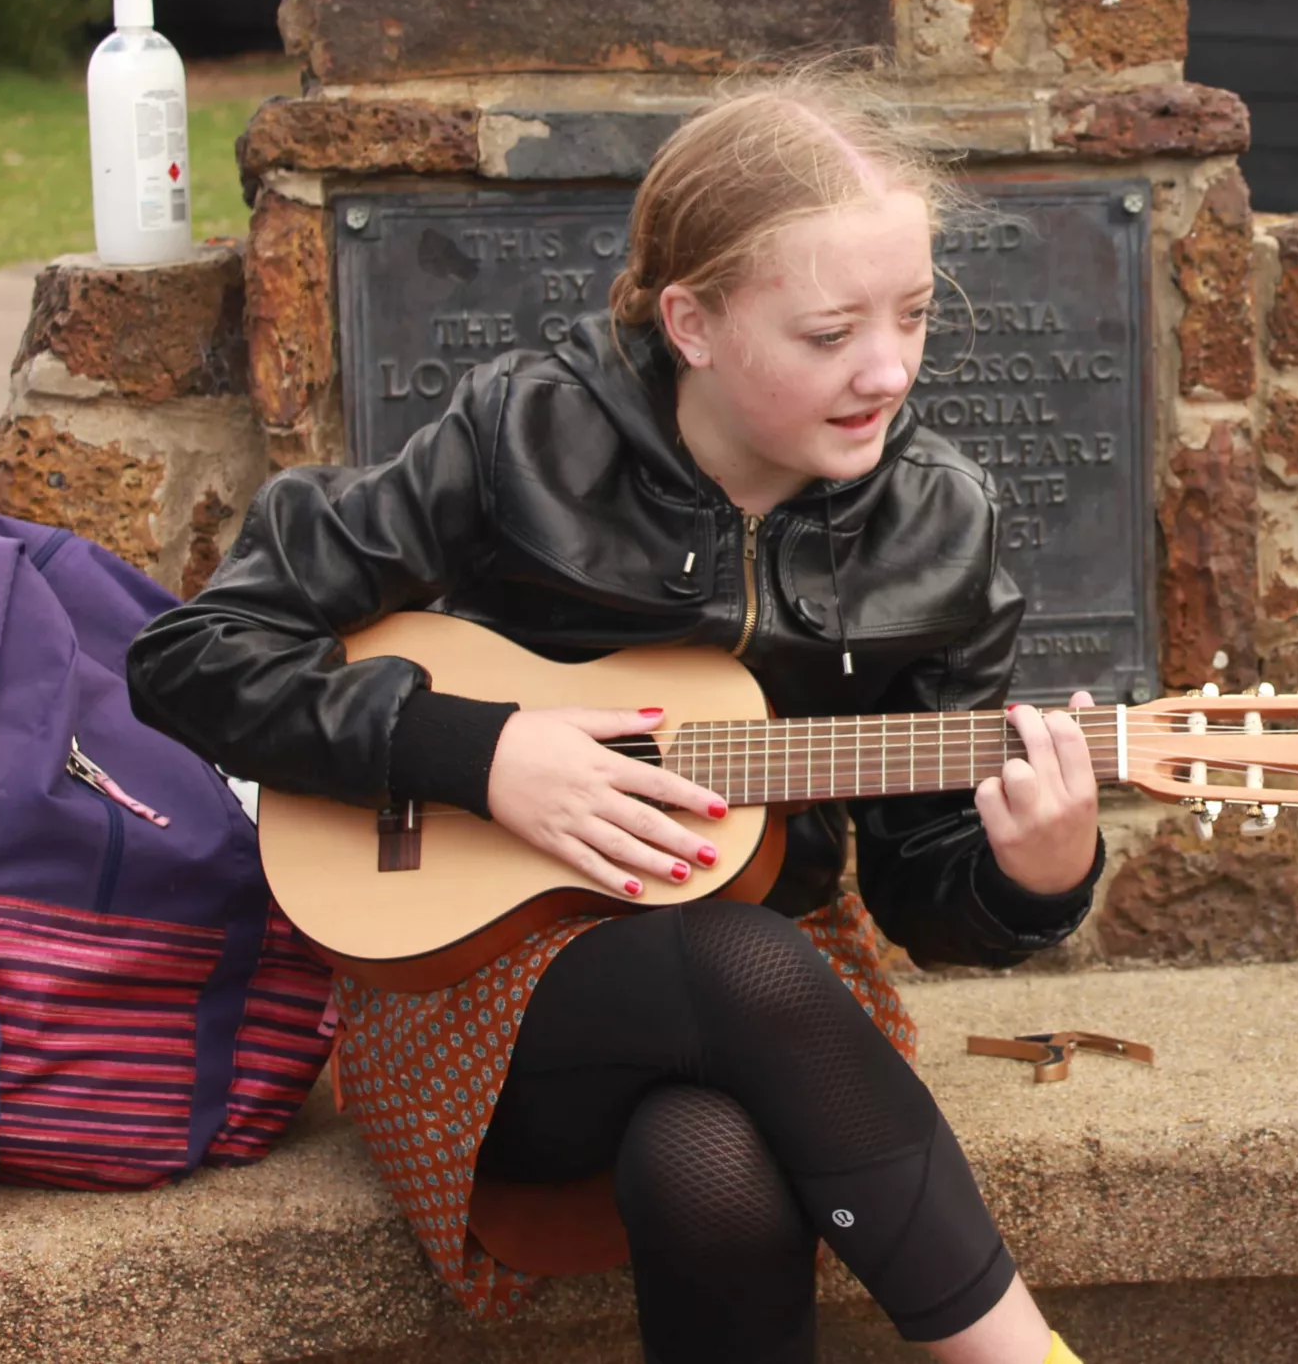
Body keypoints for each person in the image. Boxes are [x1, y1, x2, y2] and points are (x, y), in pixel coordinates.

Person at [129, 74, 1105, 1364]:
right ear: (691, 321)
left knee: (714, 1163)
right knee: (741, 965)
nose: (888, 369)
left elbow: (924, 883)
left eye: (915, 315)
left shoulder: (940, 522)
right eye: (829, 334)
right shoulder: (523, 435)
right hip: (481, 995)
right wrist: (479, 753)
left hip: (771, 1005)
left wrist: (1036, 876)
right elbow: (194, 657)